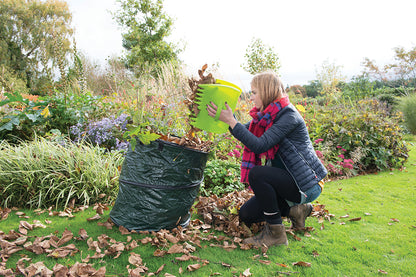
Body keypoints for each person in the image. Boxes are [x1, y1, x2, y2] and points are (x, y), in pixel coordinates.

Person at [206, 71, 327, 248]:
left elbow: (259, 145)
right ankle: (297, 210)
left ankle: (276, 235)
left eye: (254, 93)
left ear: (266, 91)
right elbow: (243, 130)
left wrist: (232, 121)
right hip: (287, 181)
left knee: (257, 174)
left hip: (306, 184)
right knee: (247, 214)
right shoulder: (266, 117)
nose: (252, 98)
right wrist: (224, 118)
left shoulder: (288, 116)